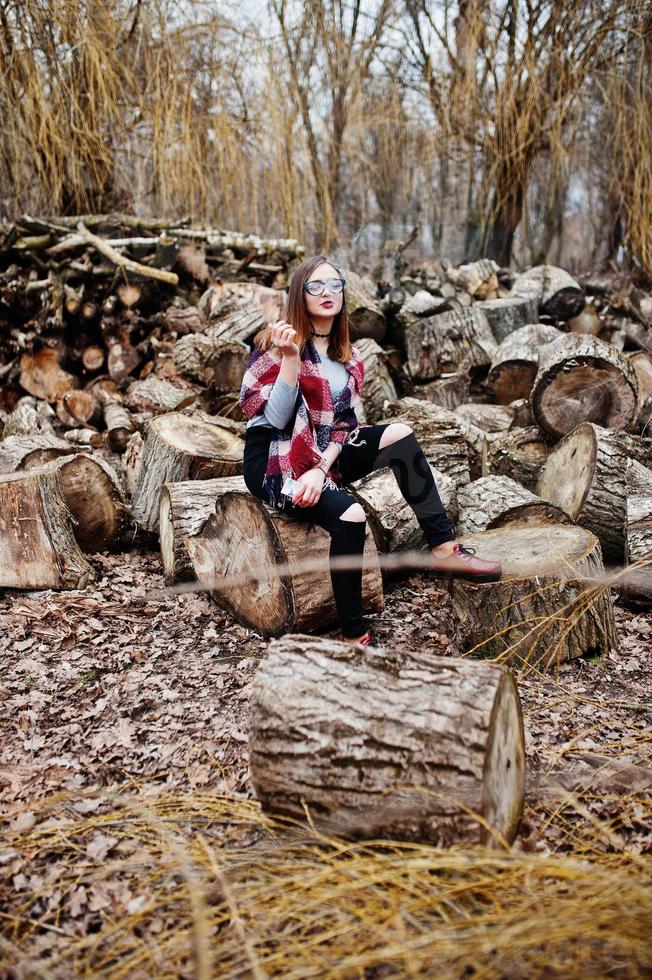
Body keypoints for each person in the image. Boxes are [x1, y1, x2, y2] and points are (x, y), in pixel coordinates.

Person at [238, 255, 501, 647]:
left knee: (399, 433)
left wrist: (321, 469)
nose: (327, 293)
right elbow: (275, 421)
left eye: (334, 284)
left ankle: (444, 549)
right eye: (315, 286)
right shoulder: (274, 345)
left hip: (322, 451)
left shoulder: (350, 358)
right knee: (350, 515)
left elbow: (343, 428)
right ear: (300, 294)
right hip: (275, 458)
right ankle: (353, 635)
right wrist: (291, 358)